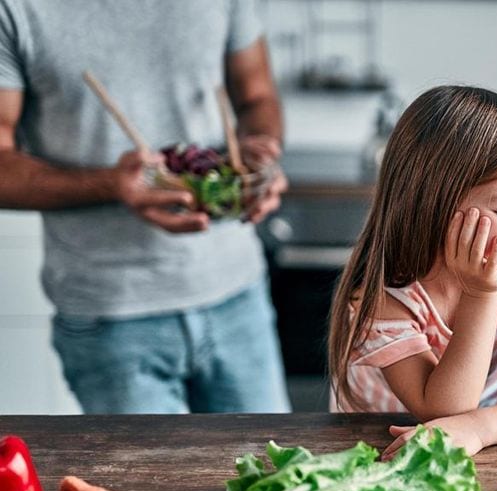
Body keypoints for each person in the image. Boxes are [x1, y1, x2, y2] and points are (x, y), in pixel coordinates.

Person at [0, 0, 291, 413]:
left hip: (238, 296)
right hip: (111, 315)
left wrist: (259, 152)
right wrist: (110, 185)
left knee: (271, 472)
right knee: (146, 479)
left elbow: (257, 95)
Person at [328, 86, 497, 458]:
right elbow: (445, 411)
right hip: (376, 453)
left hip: (476, 446)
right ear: (432, 205)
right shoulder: (387, 296)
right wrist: (482, 293)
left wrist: (483, 428)